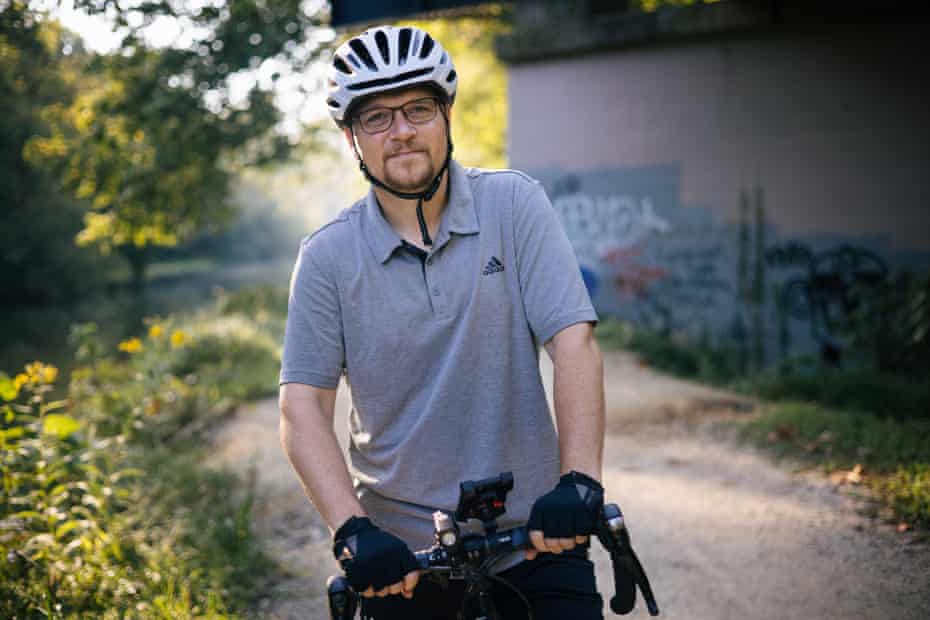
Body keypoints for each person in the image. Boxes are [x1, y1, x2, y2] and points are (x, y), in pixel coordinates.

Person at [279, 24, 607, 620]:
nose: (401, 131)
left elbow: (574, 342)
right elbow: (302, 409)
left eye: (417, 108)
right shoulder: (326, 257)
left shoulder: (514, 204)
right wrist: (351, 530)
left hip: (536, 535)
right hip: (400, 563)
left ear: (447, 114)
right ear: (351, 138)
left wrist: (579, 480)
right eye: (376, 117)